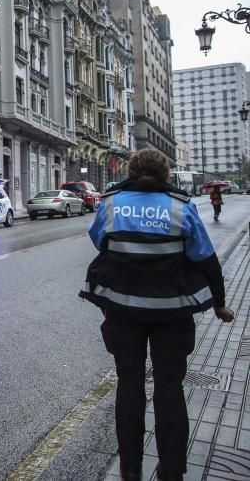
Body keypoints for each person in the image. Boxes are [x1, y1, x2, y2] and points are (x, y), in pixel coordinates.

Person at [79, 149, 234, 481]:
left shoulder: (111, 203)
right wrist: (219, 303)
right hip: (172, 314)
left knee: (129, 384)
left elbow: (99, 241)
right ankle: (172, 470)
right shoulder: (181, 207)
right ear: (165, 174)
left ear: (132, 172)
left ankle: (131, 470)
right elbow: (206, 259)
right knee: (169, 388)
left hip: (123, 311)